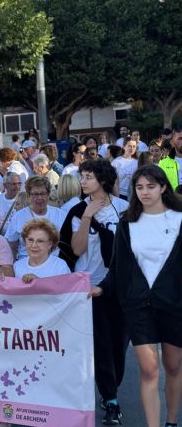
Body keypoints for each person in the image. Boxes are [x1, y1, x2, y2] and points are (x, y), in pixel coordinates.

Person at [91, 165, 182, 427]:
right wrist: (103, 288)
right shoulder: (127, 223)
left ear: (163, 187)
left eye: (151, 186)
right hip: (138, 306)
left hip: (174, 305)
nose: (144, 192)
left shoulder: (179, 219)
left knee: (174, 367)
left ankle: (172, 422)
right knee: (149, 369)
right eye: (139, 187)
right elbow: (118, 267)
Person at [60, 160, 129, 425]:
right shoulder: (77, 210)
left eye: (88, 176)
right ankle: (111, 399)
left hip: (120, 286)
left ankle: (111, 385)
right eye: (82, 177)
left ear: (102, 178)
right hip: (89, 287)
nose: (83, 181)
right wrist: (87, 216)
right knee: (101, 345)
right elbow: (75, 250)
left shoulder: (124, 208)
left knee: (119, 346)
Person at [5, 176, 66, 260]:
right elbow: (11, 244)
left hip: (53, 265)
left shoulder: (60, 215)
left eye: (43, 194)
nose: (39, 198)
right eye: (35, 194)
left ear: (48, 195)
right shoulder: (18, 217)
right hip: (26, 264)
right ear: (28, 195)